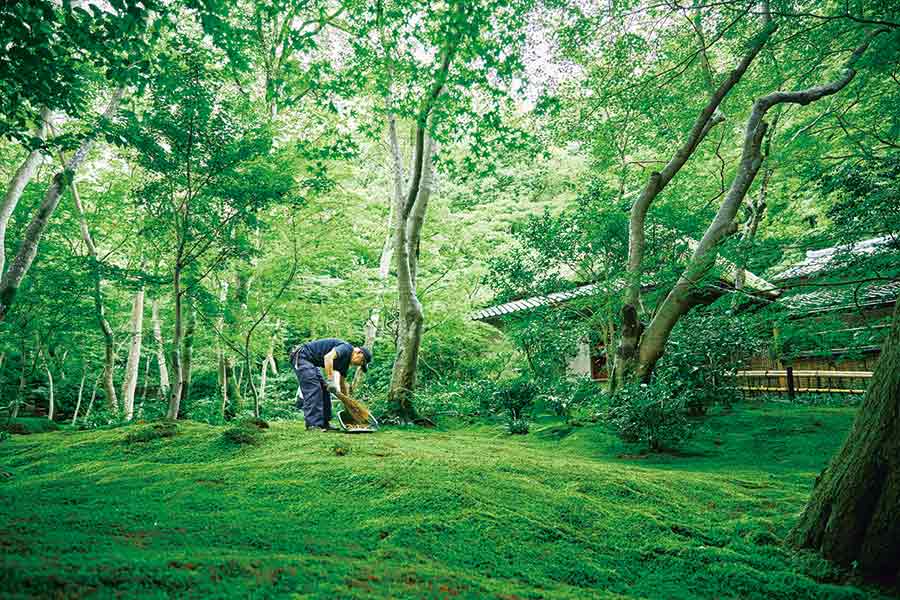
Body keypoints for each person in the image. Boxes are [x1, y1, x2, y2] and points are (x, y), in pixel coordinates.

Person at [289, 338, 371, 430]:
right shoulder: (346, 348)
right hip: (302, 356)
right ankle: (313, 424)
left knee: (324, 390)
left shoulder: (345, 364)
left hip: (311, 362)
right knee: (314, 389)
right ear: (359, 353)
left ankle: (324, 423)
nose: (359, 364)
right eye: (362, 361)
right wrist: (330, 380)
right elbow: (328, 357)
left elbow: (342, 384)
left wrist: (347, 402)